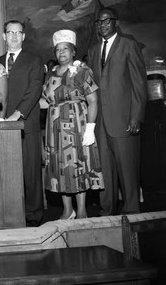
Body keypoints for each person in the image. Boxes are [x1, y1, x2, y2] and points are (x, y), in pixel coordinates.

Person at [87, 8, 148, 216]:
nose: (102, 25)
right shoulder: (94, 49)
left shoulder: (128, 45)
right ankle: (107, 213)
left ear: (116, 22)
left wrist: (136, 117)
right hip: (101, 122)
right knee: (105, 172)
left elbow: (139, 84)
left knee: (128, 171)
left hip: (124, 120)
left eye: (107, 21)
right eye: (99, 22)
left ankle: (132, 212)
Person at [43, 30, 104, 219]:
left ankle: (82, 210)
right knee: (60, 166)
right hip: (54, 125)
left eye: (65, 49)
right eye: (58, 50)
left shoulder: (82, 71)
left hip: (77, 123)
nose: (61, 53)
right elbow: (46, 101)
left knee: (77, 164)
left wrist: (90, 128)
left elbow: (93, 100)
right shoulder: (50, 74)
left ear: (73, 51)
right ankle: (67, 210)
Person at [0, 20, 45, 226]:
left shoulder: (33, 60)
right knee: (6, 171)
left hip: (26, 124)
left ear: (23, 36)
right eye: (10, 33)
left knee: (30, 172)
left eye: (18, 33)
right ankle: (10, 213)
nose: (14, 36)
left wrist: (18, 114)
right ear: (4, 36)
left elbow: (34, 90)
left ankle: (33, 215)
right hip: (0, 125)